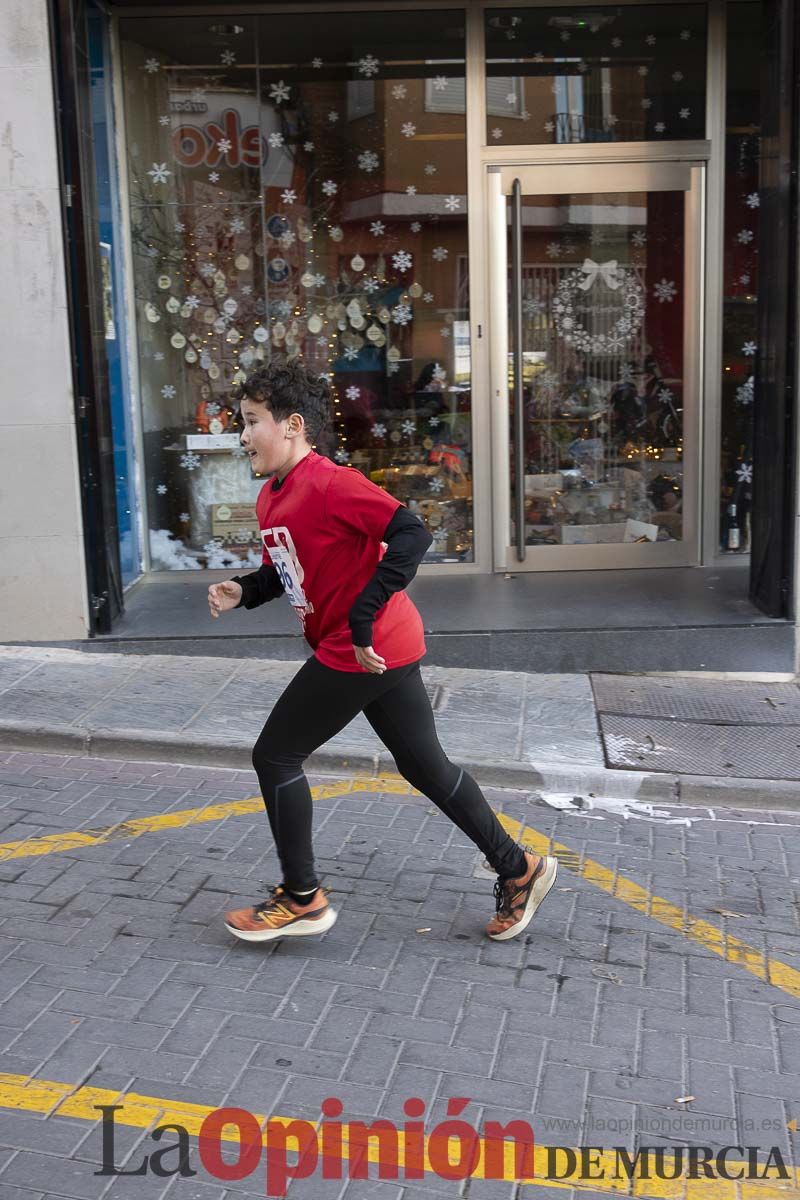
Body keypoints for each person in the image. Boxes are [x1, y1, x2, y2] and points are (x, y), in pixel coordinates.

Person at [208, 358, 558, 945]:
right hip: (380, 646)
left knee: (275, 756)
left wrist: (365, 613)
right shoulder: (274, 496)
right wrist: (245, 588)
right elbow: (288, 570)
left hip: (361, 648)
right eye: (241, 423)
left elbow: (412, 533)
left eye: (252, 422)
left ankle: (302, 898)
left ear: (292, 425)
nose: (242, 435)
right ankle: (519, 867)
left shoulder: (330, 482)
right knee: (425, 766)